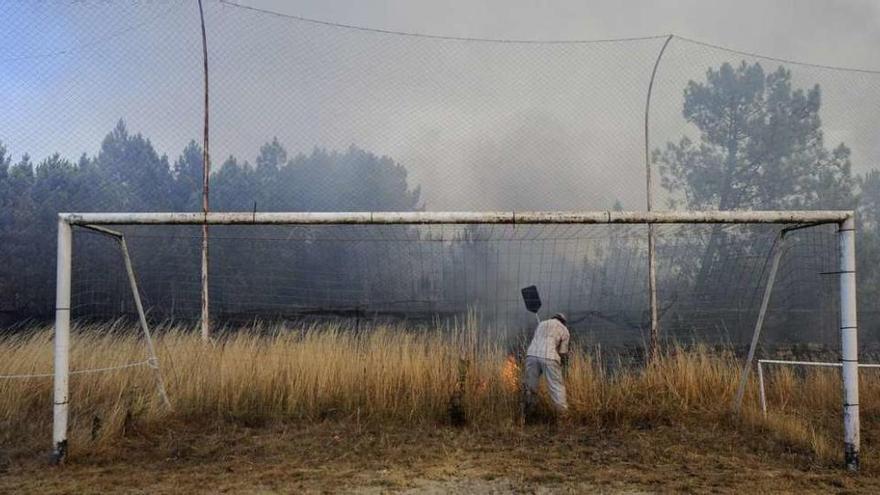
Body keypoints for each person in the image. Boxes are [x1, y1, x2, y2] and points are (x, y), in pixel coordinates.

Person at [524, 313, 570, 414]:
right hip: (550, 356)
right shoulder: (564, 330)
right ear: (563, 322)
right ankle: (562, 414)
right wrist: (563, 364)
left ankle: (529, 412)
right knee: (556, 386)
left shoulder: (541, 324)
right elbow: (563, 352)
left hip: (531, 355)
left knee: (530, 385)